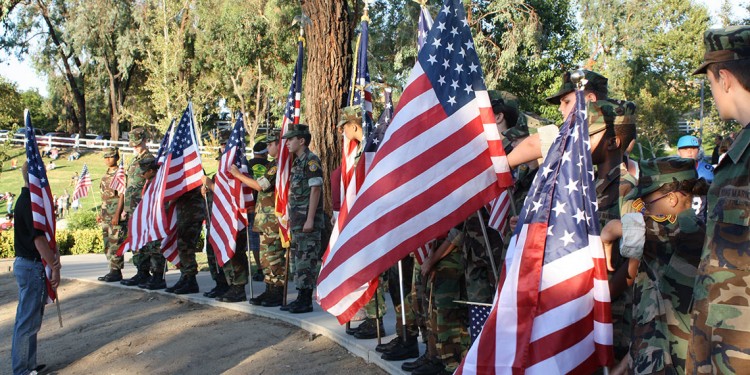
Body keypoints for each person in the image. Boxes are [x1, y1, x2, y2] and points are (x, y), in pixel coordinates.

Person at [601, 157, 708, 374]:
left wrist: (607, 238)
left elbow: (616, 228)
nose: (643, 210)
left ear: (671, 199)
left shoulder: (683, 231)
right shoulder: (665, 238)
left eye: (646, 203)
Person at [687, 25, 750, 374]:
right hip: (722, 342)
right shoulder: (738, 153)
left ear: (724, 78)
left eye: (710, 82)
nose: (713, 92)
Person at [12, 162, 61, 375]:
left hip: (28, 265)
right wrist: (54, 265)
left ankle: (28, 365)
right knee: (27, 322)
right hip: (31, 265)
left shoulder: (26, 201)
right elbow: (39, 240)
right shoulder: (29, 203)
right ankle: (22, 369)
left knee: (30, 320)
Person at [229, 131, 287, 307]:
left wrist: (239, 175)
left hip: (273, 219)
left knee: (273, 256)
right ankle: (270, 289)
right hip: (265, 219)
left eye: (271, 144)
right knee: (265, 258)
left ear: (279, 145)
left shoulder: (279, 165)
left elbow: (261, 186)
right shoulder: (272, 165)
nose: (268, 148)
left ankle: (277, 290)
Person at [281, 124, 324, 314]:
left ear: (302, 141)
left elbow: (315, 190)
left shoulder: (311, 161)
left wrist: (310, 219)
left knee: (307, 261)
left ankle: (306, 300)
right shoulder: (297, 162)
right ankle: (300, 297)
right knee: (298, 261)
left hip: (307, 221)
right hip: (298, 221)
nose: (287, 143)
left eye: (291, 139)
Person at [118, 127, 155, 287]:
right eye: (133, 144)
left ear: (145, 141)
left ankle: (146, 272)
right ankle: (141, 271)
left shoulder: (149, 159)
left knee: (144, 241)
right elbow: (128, 186)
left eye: (137, 143)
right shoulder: (133, 160)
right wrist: (125, 209)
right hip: (132, 207)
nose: (135, 147)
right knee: (134, 240)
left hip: (142, 207)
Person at [97, 147, 125, 282]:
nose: (108, 159)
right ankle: (111, 269)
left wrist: (117, 215)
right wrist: (101, 213)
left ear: (117, 157)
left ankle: (116, 270)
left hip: (115, 214)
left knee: (116, 243)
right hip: (105, 214)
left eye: (111, 156)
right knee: (107, 243)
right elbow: (104, 197)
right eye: (105, 157)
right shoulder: (105, 175)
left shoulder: (120, 174)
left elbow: (122, 196)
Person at [247, 141, 268, 283]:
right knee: (265, 240)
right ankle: (267, 269)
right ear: (265, 153)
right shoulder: (269, 165)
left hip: (249, 206)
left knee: (254, 241)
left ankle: (260, 269)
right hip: (265, 207)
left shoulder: (248, 164)